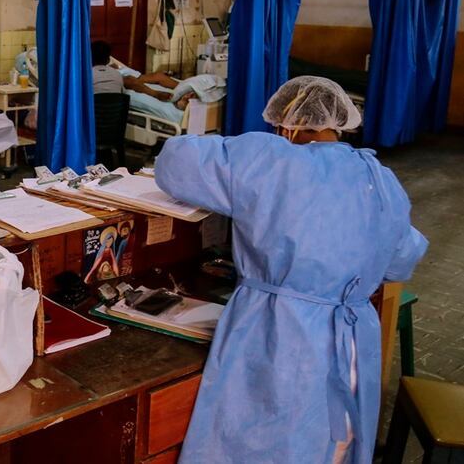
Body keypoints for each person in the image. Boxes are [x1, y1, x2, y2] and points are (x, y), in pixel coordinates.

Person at [154, 76, 428, 464]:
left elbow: (174, 162)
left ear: (287, 124)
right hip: (352, 342)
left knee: (263, 443)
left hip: (278, 334)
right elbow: (402, 259)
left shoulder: (268, 160)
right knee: (331, 446)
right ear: (339, 124)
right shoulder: (379, 179)